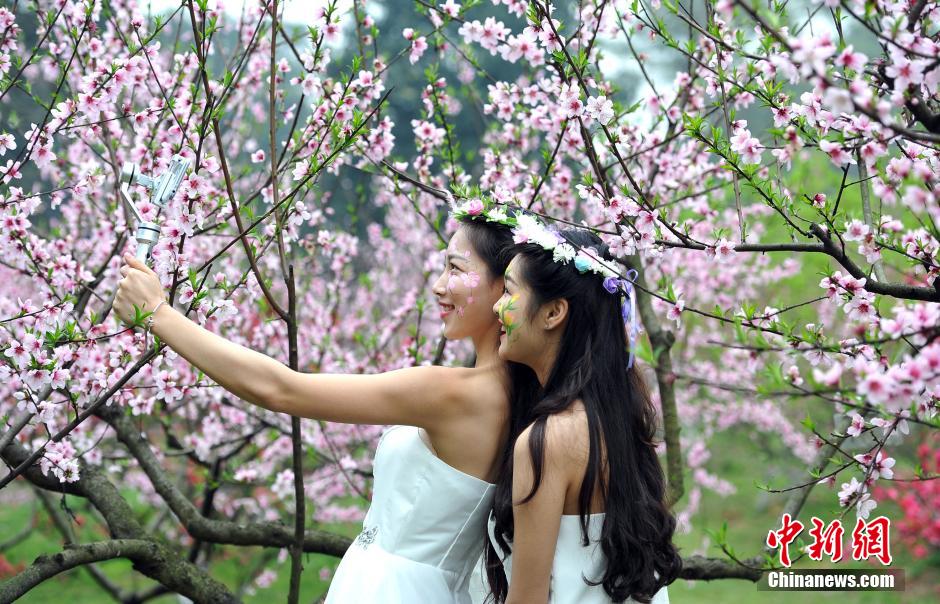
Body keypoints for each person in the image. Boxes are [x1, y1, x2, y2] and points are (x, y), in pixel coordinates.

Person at [114, 201, 538, 603]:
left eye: (455, 268)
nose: (438, 284)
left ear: (506, 287)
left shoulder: (454, 393)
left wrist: (158, 313)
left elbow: (282, 390)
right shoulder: (513, 393)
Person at [482, 217, 682, 603]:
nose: (496, 305)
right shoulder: (618, 419)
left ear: (553, 313)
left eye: (509, 291)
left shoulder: (548, 441)